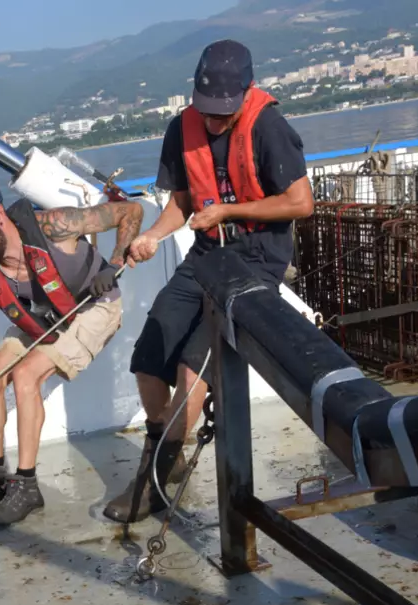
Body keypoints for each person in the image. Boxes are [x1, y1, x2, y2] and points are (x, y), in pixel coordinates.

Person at [102, 38, 314, 523]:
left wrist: (228, 210)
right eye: (208, 111)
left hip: (258, 256)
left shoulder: (270, 127)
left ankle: (154, 480)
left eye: (225, 113)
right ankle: (163, 452)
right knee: (149, 355)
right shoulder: (182, 127)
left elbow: (301, 202)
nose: (216, 121)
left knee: (192, 369)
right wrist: (153, 236)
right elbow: (181, 200)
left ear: (247, 91)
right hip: (206, 252)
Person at [0, 179, 143, 530]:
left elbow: (131, 211)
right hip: (47, 320)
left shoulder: (56, 225)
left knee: (26, 374)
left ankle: (27, 484)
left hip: (96, 307)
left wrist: (116, 261)